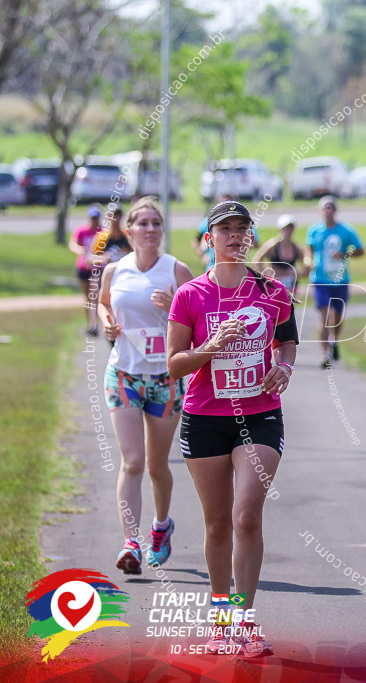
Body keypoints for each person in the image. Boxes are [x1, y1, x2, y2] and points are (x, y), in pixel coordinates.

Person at [167, 200, 298, 657]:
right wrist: (211, 346)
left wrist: (285, 368)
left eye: (244, 229)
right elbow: (174, 364)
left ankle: (245, 620)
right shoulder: (191, 295)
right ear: (209, 239)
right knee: (218, 523)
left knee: (246, 515)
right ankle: (221, 621)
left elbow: (289, 342)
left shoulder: (273, 290)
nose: (236, 236)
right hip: (204, 418)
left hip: (260, 414)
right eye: (226, 230)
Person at [98, 197, 194, 575]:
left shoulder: (177, 270)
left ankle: (161, 526)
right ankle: (130, 543)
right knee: (133, 461)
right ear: (131, 230)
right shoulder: (115, 270)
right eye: (143, 223)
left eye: (156, 223)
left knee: (156, 466)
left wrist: (174, 307)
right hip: (123, 374)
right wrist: (107, 322)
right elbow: (104, 305)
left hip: (165, 378)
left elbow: (198, 326)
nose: (150, 229)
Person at [306, 195, 364, 369]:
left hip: (340, 280)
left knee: (337, 317)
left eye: (331, 207)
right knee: (324, 315)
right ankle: (325, 354)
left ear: (336, 210)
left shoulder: (346, 231)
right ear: (320, 211)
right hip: (320, 279)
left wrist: (345, 255)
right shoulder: (314, 231)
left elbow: (361, 251)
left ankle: (334, 340)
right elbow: (309, 249)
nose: (328, 211)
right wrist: (308, 260)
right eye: (325, 207)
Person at [193, 194, 259, 272]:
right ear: (209, 239)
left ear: (251, 237)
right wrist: (203, 255)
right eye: (225, 228)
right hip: (210, 267)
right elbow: (196, 241)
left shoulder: (269, 284)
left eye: (242, 228)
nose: (234, 234)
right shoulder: (206, 221)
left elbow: (257, 244)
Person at [69, 204, 104, 335]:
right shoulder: (82, 231)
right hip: (84, 267)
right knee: (88, 297)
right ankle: (91, 323)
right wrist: (80, 250)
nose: (94, 220)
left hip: (99, 268)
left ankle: (97, 324)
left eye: (96, 218)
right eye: (92, 218)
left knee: (98, 297)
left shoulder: (103, 232)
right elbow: (73, 244)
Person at [254, 214, 306, 295]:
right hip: (274, 285)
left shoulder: (296, 248)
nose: (288, 231)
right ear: (280, 229)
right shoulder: (272, 245)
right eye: (285, 228)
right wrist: (266, 274)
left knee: (289, 307)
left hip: (291, 286)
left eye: (291, 228)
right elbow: (257, 260)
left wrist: (295, 273)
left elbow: (305, 271)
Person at [91, 205, 132, 273]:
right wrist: (103, 258)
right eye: (113, 216)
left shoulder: (127, 236)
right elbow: (91, 259)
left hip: (124, 274)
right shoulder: (102, 237)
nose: (116, 219)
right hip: (106, 274)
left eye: (118, 216)